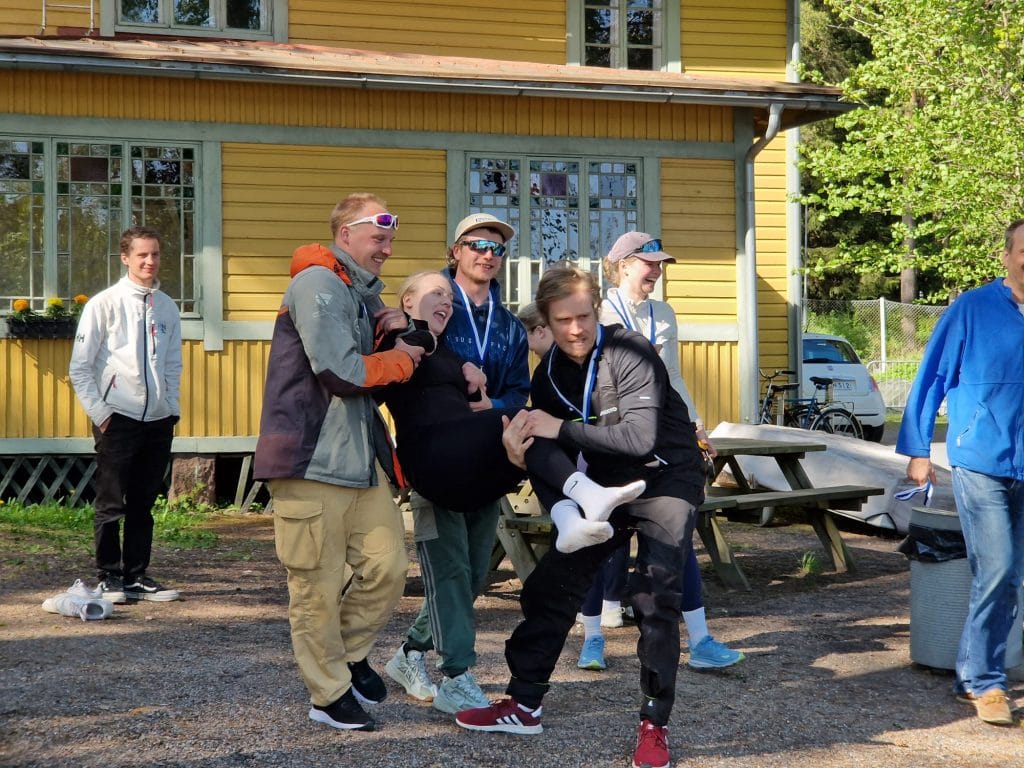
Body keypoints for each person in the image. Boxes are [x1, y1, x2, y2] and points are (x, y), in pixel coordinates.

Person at [456, 266, 707, 768]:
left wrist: (560, 428)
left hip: (666, 477)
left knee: (655, 595)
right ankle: (524, 704)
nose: (576, 330)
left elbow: (639, 438)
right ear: (546, 323)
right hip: (603, 491)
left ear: (597, 310)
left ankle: (654, 724)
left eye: (584, 317)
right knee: (551, 586)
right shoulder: (548, 373)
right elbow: (550, 448)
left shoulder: (631, 350)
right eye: (563, 320)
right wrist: (521, 449)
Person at [253, 193, 427, 733]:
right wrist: (404, 358)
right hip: (310, 460)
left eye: (391, 239)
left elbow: (381, 355)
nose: (388, 249)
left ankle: (347, 658)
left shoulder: (356, 292)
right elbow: (341, 372)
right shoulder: (318, 284)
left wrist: (396, 325)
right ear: (345, 234)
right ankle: (327, 695)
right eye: (379, 238)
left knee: (387, 569)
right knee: (316, 588)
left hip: (358, 458)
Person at [384, 214, 537, 714]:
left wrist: (491, 407)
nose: (487, 254)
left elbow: (518, 391)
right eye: (477, 244)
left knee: (472, 575)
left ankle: (410, 652)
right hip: (438, 462)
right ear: (455, 250)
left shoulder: (509, 327)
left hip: (490, 459)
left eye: (497, 248)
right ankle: (457, 673)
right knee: (449, 569)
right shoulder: (427, 312)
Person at [574, 231, 744, 672]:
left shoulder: (663, 313)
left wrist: (695, 425)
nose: (657, 272)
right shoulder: (599, 312)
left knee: (675, 534)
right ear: (624, 265)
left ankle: (701, 640)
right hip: (610, 437)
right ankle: (592, 639)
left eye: (660, 265)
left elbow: (674, 376)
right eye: (649, 264)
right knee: (601, 538)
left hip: (662, 438)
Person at [377, 271, 643, 525]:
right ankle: (588, 494)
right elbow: (382, 381)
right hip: (429, 457)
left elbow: (462, 399)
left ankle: (568, 519)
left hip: (464, 461)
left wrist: (475, 381)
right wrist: (407, 326)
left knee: (533, 439)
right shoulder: (398, 338)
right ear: (408, 300)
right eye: (437, 293)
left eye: (449, 296)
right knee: (528, 419)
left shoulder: (446, 350)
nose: (447, 301)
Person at [897, 218, 1024, 727]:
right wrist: (917, 449)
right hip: (981, 461)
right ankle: (986, 681)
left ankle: (973, 672)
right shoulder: (972, 309)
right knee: (997, 568)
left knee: (1011, 575)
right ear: (1007, 255)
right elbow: (932, 377)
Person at [70, 225, 182, 605]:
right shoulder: (103, 304)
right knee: (111, 503)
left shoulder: (166, 307)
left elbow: (172, 363)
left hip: (158, 420)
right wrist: (101, 414)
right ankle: (109, 576)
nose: (150, 261)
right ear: (125, 258)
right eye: (142, 255)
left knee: (143, 503)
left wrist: (171, 407)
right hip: (117, 417)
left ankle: (136, 576)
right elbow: (80, 367)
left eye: (155, 254)